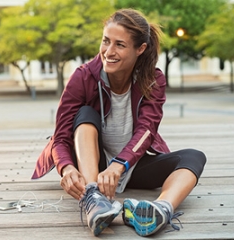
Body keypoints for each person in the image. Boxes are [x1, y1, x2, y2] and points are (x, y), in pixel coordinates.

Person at [31, 8, 206, 237]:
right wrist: (67, 167)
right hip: (92, 166)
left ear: (140, 49)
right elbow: (61, 137)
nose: (108, 51)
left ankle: (161, 209)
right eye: (106, 41)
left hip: (130, 165)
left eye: (120, 45)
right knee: (84, 114)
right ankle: (93, 199)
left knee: (194, 157)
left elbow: (147, 130)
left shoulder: (153, 80)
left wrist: (120, 164)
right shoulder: (83, 77)